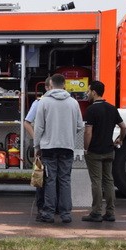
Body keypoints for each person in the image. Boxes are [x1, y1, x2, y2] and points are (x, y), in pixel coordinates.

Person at [33, 73, 83, 223]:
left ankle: (48, 213)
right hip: (67, 147)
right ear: (64, 85)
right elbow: (80, 126)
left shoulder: (44, 102)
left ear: (51, 84)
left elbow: (39, 127)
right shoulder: (73, 103)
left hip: (49, 147)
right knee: (65, 180)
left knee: (50, 180)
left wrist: (37, 146)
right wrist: (68, 133)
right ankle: (66, 214)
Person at [82, 80, 126, 222]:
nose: (87, 93)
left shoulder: (91, 110)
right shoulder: (112, 108)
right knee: (108, 180)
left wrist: (85, 148)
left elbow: (88, 132)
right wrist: (120, 139)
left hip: (94, 151)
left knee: (96, 181)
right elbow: (124, 127)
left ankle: (96, 212)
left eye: (89, 91)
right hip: (109, 150)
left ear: (94, 92)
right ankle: (110, 212)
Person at [22, 91, 45, 214]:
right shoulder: (39, 103)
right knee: (41, 177)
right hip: (45, 145)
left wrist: (37, 141)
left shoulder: (39, 103)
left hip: (41, 145)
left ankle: (41, 208)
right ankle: (44, 207)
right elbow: (27, 123)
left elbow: (27, 122)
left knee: (39, 176)